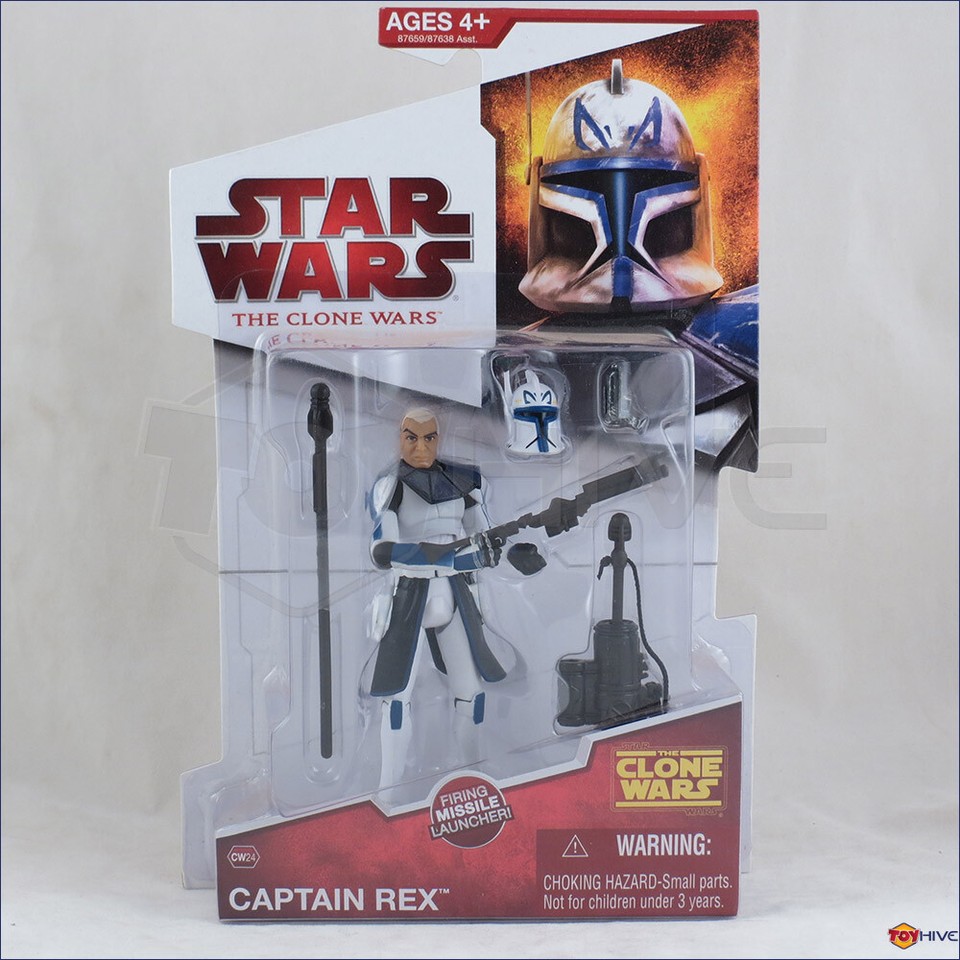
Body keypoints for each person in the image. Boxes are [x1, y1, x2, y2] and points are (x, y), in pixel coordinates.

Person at [368, 408, 504, 787]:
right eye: (411, 437)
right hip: (410, 593)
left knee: (471, 694)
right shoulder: (392, 486)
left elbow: (484, 537)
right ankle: (389, 790)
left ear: (438, 438)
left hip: (454, 590)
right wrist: (433, 555)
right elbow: (382, 550)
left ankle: (473, 777)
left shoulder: (462, 482)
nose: (421, 447)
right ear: (400, 438)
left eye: (429, 437)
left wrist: (493, 551)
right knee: (396, 700)